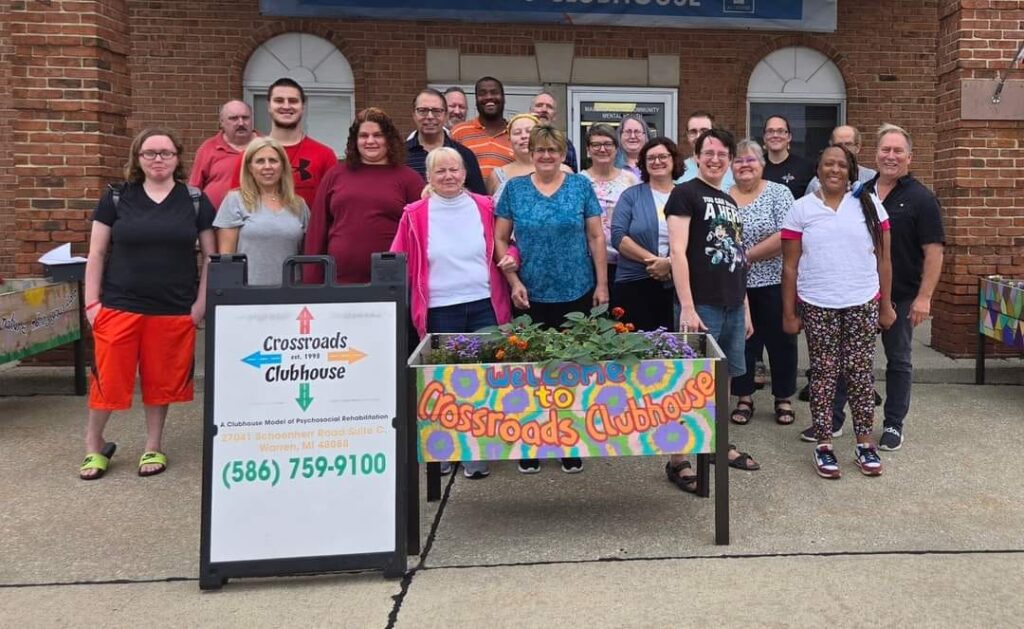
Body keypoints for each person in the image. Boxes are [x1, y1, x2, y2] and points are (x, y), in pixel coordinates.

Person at [79, 128, 216, 480]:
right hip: (119, 304)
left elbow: (212, 258)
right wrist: (91, 303)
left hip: (173, 307)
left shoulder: (195, 200)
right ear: (137, 158)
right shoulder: (115, 197)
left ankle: (153, 445)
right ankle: (94, 445)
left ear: (177, 158)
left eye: (166, 153)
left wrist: (200, 304)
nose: (158, 159)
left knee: (161, 381)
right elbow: (95, 252)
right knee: (108, 380)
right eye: (150, 153)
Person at [815, 124, 945, 451]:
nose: (890, 156)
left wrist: (924, 298)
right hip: (858, 293)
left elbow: (934, 252)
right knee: (850, 359)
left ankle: (892, 424)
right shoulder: (861, 192)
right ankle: (835, 419)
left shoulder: (922, 198)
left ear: (909, 157)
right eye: (885, 150)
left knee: (898, 359)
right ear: (875, 155)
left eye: (897, 151)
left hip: (901, 296)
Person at [390, 147, 514, 479]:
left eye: (454, 170)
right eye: (440, 171)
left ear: (464, 173)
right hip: (439, 308)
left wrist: (512, 256)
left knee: (484, 380)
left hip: (484, 304)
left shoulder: (486, 207)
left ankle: (475, 452)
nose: (448, 176)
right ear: (428, 176)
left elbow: (508, 242)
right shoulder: (414, 214)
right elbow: (397, 257)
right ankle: (443, 450)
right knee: (443, 383)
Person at [494, 125, 608, 475]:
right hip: (530, 293)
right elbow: (500, 239)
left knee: (571, 369)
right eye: (539, 150)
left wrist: (602, 285)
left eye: (553, 150)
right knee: (530, 372)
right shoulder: (514, 189)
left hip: (576, 290)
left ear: (563, 154)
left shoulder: (580, 187)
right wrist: (512, 280)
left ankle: (567, 440)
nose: (546, 156)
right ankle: (531, 441)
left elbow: (595, 236)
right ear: (530, 151)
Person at [781, 144, 896, 478]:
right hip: (817, 304)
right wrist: (789, 313)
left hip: (861, 301)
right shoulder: (801, 209)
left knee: (860, 373)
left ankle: (864, 443)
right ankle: (824, 445)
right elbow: (789, 266)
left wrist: (885, 305)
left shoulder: (869, 206)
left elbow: (883, 259)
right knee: (824, 374)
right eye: (827, 164)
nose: (834, 170)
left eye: (841, 165)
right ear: (818, 169)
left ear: (851, 171)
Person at [664, 128, 759, 493]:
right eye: (709, 153)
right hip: (701, 306)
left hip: (733, 305)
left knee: (726, 381)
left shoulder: (729, 200)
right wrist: (687, 306)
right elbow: (677, 252)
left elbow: (737, 257)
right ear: (697, 156)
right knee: (689, 384)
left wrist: (746, 307)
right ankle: (678, 459)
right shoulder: (684, 194)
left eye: (723, 153)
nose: (716, 159)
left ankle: (719, 443)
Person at [303, 107, 424, 285]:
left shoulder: (409, 178)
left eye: (378, 135)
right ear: (354, 140)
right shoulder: (335, 175)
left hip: (392, 281)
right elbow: (317, 230)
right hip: (339, 281)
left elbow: (421, 233)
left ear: (389, 139)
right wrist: (311, 281)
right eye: (363, 136)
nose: (370, 141)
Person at [726, 139, 798, 426]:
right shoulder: (721, 193)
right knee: (742, 342)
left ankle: (783, 398)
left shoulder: (779, 193)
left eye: (751, 160)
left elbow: (787, 233)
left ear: (762, 164)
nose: (745, 165)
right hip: (732, 285)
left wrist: (746, 256)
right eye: (739, 160)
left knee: (781, 342)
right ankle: (744, 397)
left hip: (774, 281)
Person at [229, 78, 337, 209]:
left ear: (303, 107)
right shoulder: (250, 154)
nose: (286, 106)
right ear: (269, 106)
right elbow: (234, 206)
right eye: (279, 100)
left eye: (293, 101)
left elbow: (335, 205)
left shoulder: (324, 155)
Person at [214, 137, 309, 286]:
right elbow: (227, 259)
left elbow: (306, 256)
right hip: (248, 294)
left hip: (291, 295)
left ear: (283, 166)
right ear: (250, 167)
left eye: (273, 160)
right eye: (260, 161)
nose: (267, 166)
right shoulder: (234, 201)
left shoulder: (299, 205)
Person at [608, 136, 677, 332]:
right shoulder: (631, 195)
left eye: (663, 156)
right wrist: (656, 262)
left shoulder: (685, 196)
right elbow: (618, 236)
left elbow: (696, 240)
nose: (657, 162)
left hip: (675, 286)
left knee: (670, 350)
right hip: (633, 284)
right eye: (651, 158)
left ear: (674, 160)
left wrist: (670, 263)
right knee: (633, 351)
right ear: (644, 164)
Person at [582, 123, 639, 295]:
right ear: (588, 150)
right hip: (587, 260)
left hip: (624, 260)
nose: (602, 149)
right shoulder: (579, 180)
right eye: (596, 145)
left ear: (616, 148)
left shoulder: (630, 180)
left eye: (608, 144)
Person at [406, 88, 487, 195]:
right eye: (423, 110)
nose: (430, 116)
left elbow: (478, 199)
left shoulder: (464, 155)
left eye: (436, 111)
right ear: (413, 114)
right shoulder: (400, 155)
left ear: (445, 115)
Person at [487, 113, 571, 202]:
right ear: (509, 140)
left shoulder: (565, 171)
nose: (524, 136)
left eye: (529, 131)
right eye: (517, 133)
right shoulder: (497, 176)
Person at [188, 100, 257, 209]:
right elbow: (194, 188)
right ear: (222, 122)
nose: (241, 123)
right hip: (214, 220)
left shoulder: (265, 146)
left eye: (245, 117)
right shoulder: (208, 148)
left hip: (257, 220)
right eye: (233, 118)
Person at [450, 76, 514, 179]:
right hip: (468, 195)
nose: (489, 97)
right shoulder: (458, 132)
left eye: (494, 92)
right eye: (482, 93)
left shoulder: (516, 134)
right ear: (476, 100)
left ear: (503, 98)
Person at [805, 125, 877, 195]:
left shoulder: (871, 178)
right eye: (838, 145)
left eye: (848, 144)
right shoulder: (817, 183)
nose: (843, 149)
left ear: (857, 147)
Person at [677, 111, 735, 191]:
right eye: (693, 132)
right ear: (687, 135)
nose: (698, 136)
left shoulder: (732, 170)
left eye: (704, 131)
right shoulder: (678, 169)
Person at [762, 115, 815, 200]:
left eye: (781, 131)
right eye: (770, 131)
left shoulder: (806, 168)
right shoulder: (756, 167)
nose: (775, 135)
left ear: (789, 137)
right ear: (764, 137)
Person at [530, 91, 578, 172]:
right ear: (530, 111)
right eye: (539, 105)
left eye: (549, 107)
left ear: (554, 116)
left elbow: (572, 178)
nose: (544, 110)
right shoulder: (520, 139)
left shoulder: (565, 144)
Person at [614, 114, 650, 179]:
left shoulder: (654, 163)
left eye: (637, 132)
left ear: (645, 136)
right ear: (620, 135)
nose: (633, 136)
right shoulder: (611, 163)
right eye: (628, 132)